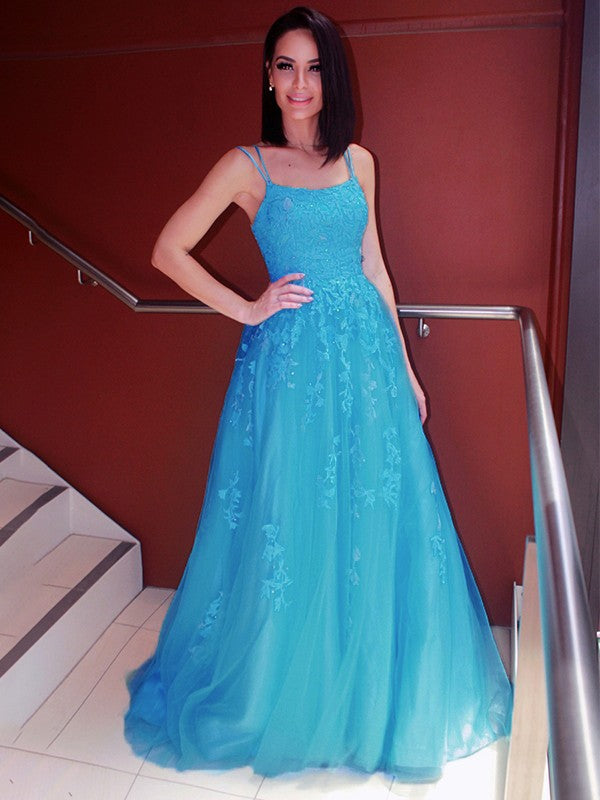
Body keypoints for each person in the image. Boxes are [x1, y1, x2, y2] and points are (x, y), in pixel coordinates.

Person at [124, 6, 512, 782]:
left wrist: (404, 369)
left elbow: (375, 269)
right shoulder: (246, 165)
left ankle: (361, 681)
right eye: (285, 66)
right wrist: (247, 307)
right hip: (290, 371)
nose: (300, 83)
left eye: (313, 67)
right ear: (268, 78)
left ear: (331, 78)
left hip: (366, 365)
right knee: (290, 517)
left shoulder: (359, 161)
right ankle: (284, 687)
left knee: (370, 512)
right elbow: (169, 249)